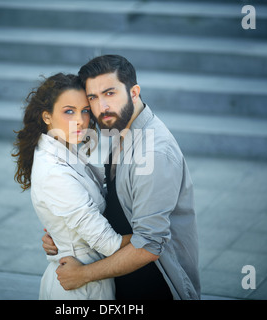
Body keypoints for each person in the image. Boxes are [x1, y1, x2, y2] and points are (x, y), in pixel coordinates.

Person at [42, 55, 201, 300]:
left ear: (134, 92)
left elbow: (149, 245)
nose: (101, 107)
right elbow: (118, 201)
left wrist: (83, 274)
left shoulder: (154, 154)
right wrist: (67, 234)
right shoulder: (122, 127)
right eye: (92, 97)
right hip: (124, 279)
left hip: (154, 286)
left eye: (110, 93)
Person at [12, 73, 131, 299]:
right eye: (69, 111)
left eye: (85, 111)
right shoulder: (55, 171)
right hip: (80, 288)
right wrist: (158, 237)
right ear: (46, 116)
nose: (81, 120)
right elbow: (110, 244)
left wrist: (58, 232)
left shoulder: (64, 147)